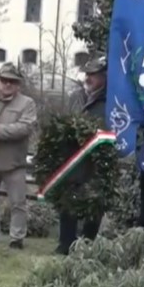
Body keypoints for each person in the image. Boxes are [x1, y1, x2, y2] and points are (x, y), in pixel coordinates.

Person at [0, 62, 37, 249]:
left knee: (18, 203)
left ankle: (16, 238)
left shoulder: (27, 103)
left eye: (12, 81)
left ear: (18, 84)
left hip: (13, 162)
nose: (7, 84)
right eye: (4, 80)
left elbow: (26, 127)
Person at [56, 55, 108, 256]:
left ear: (103, 77)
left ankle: (87, 243)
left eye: (93, 75)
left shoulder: (110, 100)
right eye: (87, 74)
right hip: (72, 157)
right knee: (68, 200)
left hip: (96, 159)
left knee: (95, 201)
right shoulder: (75, 96)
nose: (88, 78)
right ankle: (65, 243)